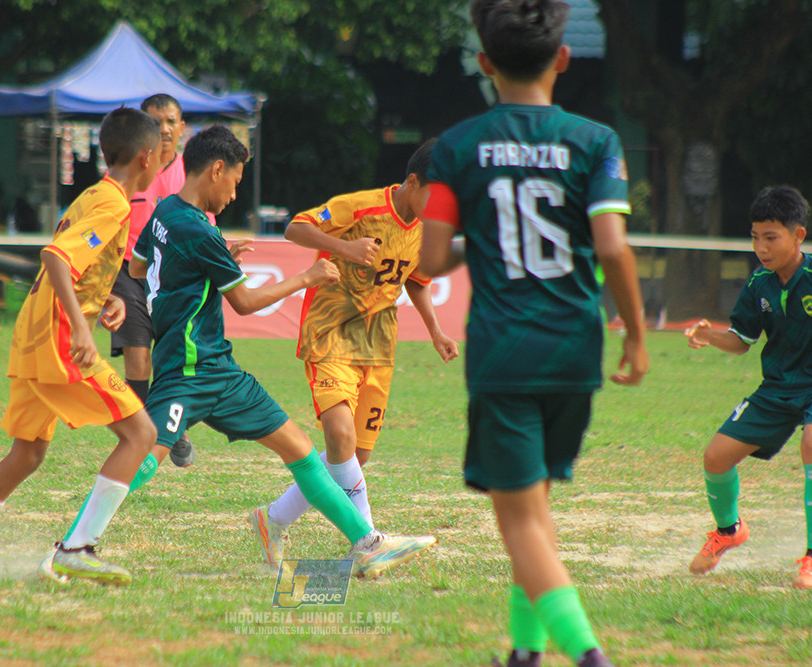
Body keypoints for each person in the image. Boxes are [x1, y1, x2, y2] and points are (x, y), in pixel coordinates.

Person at [417, 1, 648, 665]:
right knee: (536, 510)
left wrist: (479, 244)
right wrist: (634, 334)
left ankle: (588, 654)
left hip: (504, 354)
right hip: (576, 349)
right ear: (563, 57)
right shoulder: (597, 141)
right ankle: (525, 650)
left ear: (485, 64)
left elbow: (432, 259)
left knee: (518, 520)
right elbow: (612, 247)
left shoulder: (458, 146)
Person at [123, 124, 434, 580]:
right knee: (148, 457)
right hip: (201, 362)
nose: (235, 194)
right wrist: (311, 274)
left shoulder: (168, 213)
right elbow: (247, 300)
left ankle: (318, 532)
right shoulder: (195, 226)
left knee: (313, 452)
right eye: (235, 181)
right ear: (216, 170)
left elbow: (137, 265)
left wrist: (203, 260)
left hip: (219, 366)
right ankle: (78, 533)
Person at [0, 108, 163, 592]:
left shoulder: (94, 194)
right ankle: (78, 549)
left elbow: (69, 263)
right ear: (147, 157)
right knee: (140, 433)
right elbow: (55, 257)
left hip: (32, 335)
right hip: (59, 341)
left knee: (27, 454)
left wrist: (103, 298)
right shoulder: (113, 204)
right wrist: (83, 329)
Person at [249, 139, 458, 569]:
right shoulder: (360, 207)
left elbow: (415, 280)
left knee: (354, 456)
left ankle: (272, 520)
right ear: (413, 181)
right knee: (340, 437)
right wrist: (345, 248)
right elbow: (295, 228)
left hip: (378, 341)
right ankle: (368, 544)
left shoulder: (424, 229)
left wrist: (436, 331)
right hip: (331, 330)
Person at [684, 185, 812, 588]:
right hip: (777, 388)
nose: (761, 246)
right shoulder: (759, 284)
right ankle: (728, 529)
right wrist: (709, 335)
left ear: (798, 236)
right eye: (755, 237)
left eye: (771, 237)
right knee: (715, 457)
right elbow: (741, 341)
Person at [110, 94, 209, 469]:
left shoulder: (194, 174)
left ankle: (172, 425)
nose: (164, 129)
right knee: (138, 360)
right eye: (156, 122)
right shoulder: (126, 173)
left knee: (173, 359)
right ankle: (138, 435)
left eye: (171, 121)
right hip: (128, 273)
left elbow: (206, 228)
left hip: (175, 279)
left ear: (183, 128)